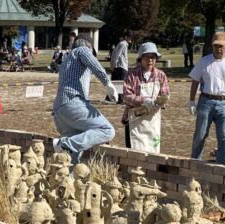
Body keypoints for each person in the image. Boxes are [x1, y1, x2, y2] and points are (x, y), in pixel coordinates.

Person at [52, 34, 118, 165]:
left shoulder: (67, 58)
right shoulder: (82, 50)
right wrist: (107, 83)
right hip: (72, 102)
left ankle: (65, 181)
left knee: (72, 158)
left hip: (59, 111)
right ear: (90, 46)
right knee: (107, 130)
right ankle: (64, 144)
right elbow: (94, 63)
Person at [189, 31, 225, 165]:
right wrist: (192, 101)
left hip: (224, 103)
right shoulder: (204, 61)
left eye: (221, 46)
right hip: (205, 101)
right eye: (215, 46)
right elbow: (195, 80)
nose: (218, 49)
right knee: (200, 135)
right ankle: (195, 162)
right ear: (211, 46)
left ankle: (222, 165)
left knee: (224, 137)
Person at [122, 42, 170, 153]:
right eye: (147, 57)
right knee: (135, 153)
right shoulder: (131, 75)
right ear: (141, 58)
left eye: (153, 57)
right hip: (135, 120)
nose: (150, 60)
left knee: (152, 153)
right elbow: (127, 96)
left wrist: (161, 102)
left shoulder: (161, 75)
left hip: (152, 120)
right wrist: (144, 100)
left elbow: (165, 94)